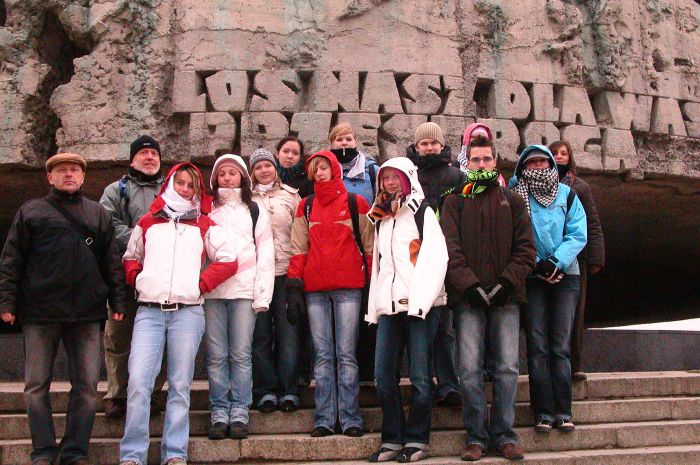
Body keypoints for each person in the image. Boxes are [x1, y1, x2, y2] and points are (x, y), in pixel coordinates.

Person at [0, 153, 128, 465]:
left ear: (83, 177)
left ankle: (74, 451)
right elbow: (11, 261)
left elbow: (111, 263)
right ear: (50, 177)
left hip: (86, 313)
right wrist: (7, 302)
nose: (69, 175)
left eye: (74, 170)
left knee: (86, 387)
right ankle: (43, 450)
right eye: (62, 171)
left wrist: (118, 301)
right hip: (40, 312)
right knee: (35, 386)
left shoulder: (97, 213)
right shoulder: (31, 211)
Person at [119, 163, 237, 465]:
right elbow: (130, 257)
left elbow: (229, 259)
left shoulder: (204, 224)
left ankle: (174, 454)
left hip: (187, 313)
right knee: (138, 384)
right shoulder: (147, 222)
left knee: (180, 386)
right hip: (150, 312)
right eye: (180, 183)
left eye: (190, 186)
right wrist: (138, 279)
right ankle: (132, 455)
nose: (185, 189)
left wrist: (202, 283)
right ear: (170, 184)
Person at [441, 136, 535, 461]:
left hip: (506, 299)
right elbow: (449, 249)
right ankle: (476, 437)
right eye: (476, 160)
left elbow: (526, 249)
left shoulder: (514, 201)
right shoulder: (455, 201)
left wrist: (507, 283)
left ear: (496, 162)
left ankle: (505, 435)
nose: (481, 165)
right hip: (468, 300)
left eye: (486, 159)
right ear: (468, 164)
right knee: (468, 369)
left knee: (508, 367)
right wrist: (468, 285)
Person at [366, 157, 448, 463]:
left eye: (394, 177)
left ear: (407, 179)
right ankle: (391, 438)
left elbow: (436, 258)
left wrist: (421, 302)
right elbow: (379, 265)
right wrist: (375, 306)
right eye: (384, 178)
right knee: (383, 375)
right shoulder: (382, 216)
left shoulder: (421, 211)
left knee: (420, 377)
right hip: (389, 308)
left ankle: (416, 438)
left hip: (420, 308)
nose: (389, 183)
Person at [286, 151, 374, 437]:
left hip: (349, 287)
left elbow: (370, 247)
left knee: (346, 355)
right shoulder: (306, 206)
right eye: (315, 169)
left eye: (324, 167)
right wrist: (294, 284)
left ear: (334, 169)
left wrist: (373, 284)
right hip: (315, 291)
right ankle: (324, 418)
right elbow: (298, 248)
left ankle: (350, 418)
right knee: (323, 356)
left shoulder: (355, 202)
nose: (320, 173)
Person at [509, 145, 587, 434]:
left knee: (560, 346)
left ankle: (563, 411)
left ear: (551, 163)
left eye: (543, 160)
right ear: (522, 167)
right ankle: (542, 412)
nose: (538, 166)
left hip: (566, 277)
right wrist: (538, 264)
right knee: (538, 346)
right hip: (532, 277)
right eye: (532, 162)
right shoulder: (516, 196)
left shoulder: (568, 194)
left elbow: (578, 232)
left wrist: (556, 262)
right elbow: (517, 235)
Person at [204, 153, 275, 440]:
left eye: (233, 173)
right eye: (222, 174)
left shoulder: (254, 208)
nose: (228, 178)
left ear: (243, 177)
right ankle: (219, 411)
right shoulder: (206, 208)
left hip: (244, 290)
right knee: (216, 355)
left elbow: (266, 252)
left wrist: (262, 295)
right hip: (212, 292)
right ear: (215, 179)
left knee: (241, 354)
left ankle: (240, 412)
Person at [100, 135, 166, 419]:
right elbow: (105, 223)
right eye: (144, 154)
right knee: (118, 336)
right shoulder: (116, 189)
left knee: (159, 337)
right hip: (124, 274)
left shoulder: (172, 188)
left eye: (154, 154)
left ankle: (150, 393)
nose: (150, 158)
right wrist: (142, 238)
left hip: (161, 275)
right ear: (132, 159)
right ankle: (116, 394)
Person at [405, 121, 464, 407]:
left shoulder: (457, 176)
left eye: (433, 143)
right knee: (421, 324)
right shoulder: (409, 175)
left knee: (445, 328)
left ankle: (448, 384)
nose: (429, 147)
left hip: (448, 256)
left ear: (441, 145)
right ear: (416, 147)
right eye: (423, 144)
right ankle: (424, 382)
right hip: (416, 256)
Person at [250, 149, 302, 413]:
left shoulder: (291, 196)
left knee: (288, 334)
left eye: (267, 165)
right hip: (256, 275)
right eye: (258, 167)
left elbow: (301, 234)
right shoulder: (245, 198)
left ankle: (289, 389)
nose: (264, 170)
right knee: (260, 334)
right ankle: (265, 389)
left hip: (285, 272)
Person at [328, 122, 380, 383]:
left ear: (356, 141)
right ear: (331, 143)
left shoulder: (372, 171)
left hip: (367, 250)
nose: (344, 144)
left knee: (367, 314)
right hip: (336, 253)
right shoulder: (325, 172)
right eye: (339, 140)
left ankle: (367, 372)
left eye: (348, 139)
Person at [549, 141, 605, 381]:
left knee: (575, 313)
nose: (560, 157)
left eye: (564, 153)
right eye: (555, 153)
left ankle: (576, 364)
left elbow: (591, 222)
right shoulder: (539, 184)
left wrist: (596, 256)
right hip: (547, 258)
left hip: (575, 260)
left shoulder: (580, 187)